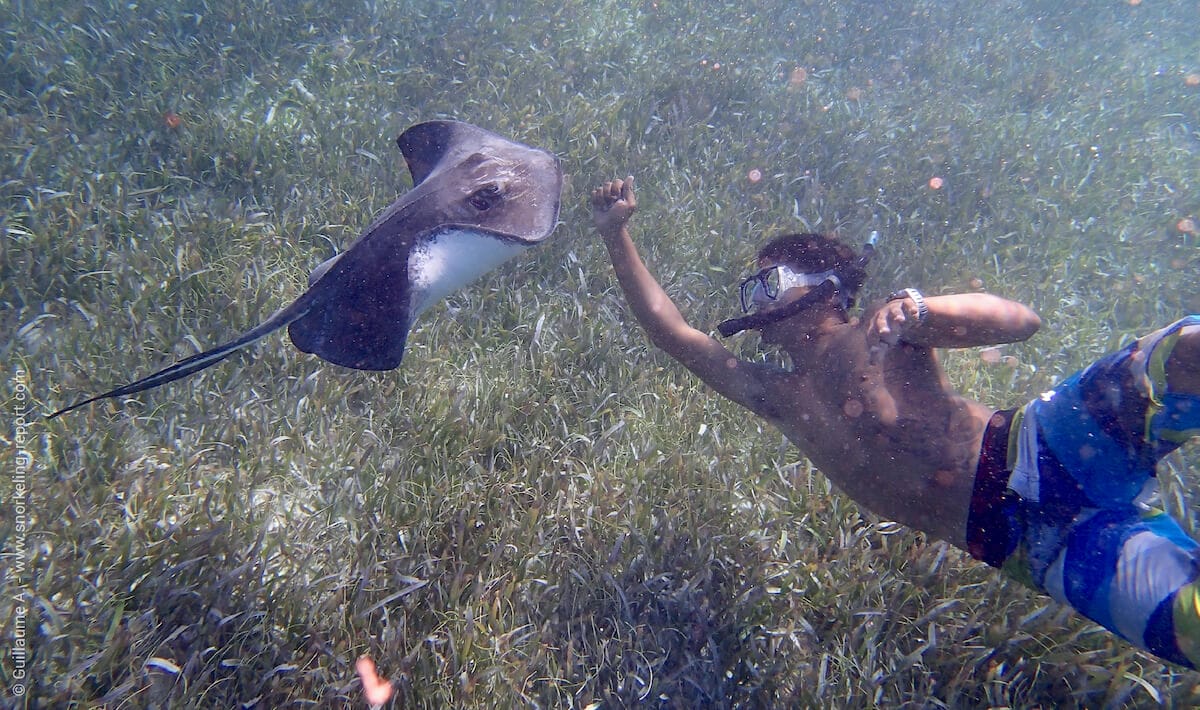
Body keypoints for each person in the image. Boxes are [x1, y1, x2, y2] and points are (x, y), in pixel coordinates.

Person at [591, 176, 1200, 668]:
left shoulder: (884, 330)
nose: (752, 305)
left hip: (1039, 448)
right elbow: (670, 332)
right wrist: (616, 234)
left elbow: (1020, 321)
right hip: (1027, 547)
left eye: (765, 285)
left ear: (822, 287)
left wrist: (921, 311)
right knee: (1187, 629)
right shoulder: (778, 395)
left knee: (1180, 355)